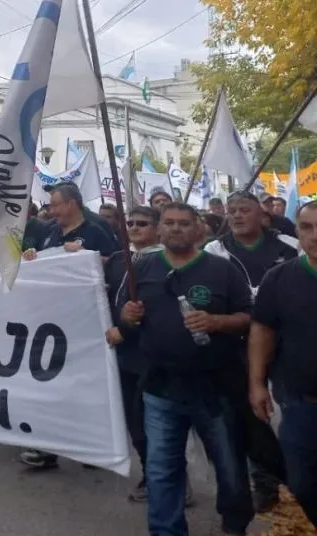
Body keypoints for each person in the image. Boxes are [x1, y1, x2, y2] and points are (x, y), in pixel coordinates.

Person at [121, 202, 254, 536]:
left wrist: (217, 321)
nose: (176, 228)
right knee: (162, 469)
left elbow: (250, 318)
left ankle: (234, 524)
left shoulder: (222, 270)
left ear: (199, 229)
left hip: (215, 388)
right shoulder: (142, 269)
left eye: (184, 223)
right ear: (160, 230)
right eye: (169, 223)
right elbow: (123, 320)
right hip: (160, 388)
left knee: (229, 466)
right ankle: (166, 530)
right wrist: (128, 317)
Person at [204, 192, 297, 512]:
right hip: (238, 347)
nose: (238, 216)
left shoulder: (289, 245)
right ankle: (267, 482)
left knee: (290, 411)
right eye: (232, 212)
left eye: (245, 210)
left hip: (288, 345)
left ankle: (298, 474)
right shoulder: (215, 251)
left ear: (262, 214)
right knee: (254, 416)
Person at [20, 182, 116, 470]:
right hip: (53, 320)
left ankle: (93, 446)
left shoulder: (96, 230)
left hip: (84, 324)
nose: (51, 209)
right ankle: (48, 447)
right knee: (50, 383)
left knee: (84, 387)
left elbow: (114, 264)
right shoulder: (50, 231)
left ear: (72, 204)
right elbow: (43, 260)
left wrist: (88, 256)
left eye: (56, 204)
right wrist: (32, 257)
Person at [249, 200, 317, 527]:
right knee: (303, 482)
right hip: (301, 403)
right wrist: (257, 383)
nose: (316, 235)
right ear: (297, 232)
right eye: (307, 227)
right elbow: (262, 329)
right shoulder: (279, 279)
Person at [104, 206, 163, 502]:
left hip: (151, 354)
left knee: (158, 423)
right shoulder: (118, 259)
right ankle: (150, 473)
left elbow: (157, 308)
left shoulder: (165, 260)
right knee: (134, 421)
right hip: (123, 356)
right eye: (130, 223)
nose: (135, 227)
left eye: (143, 223)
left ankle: (170, 477)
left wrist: (125, 329)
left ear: (158, 228)